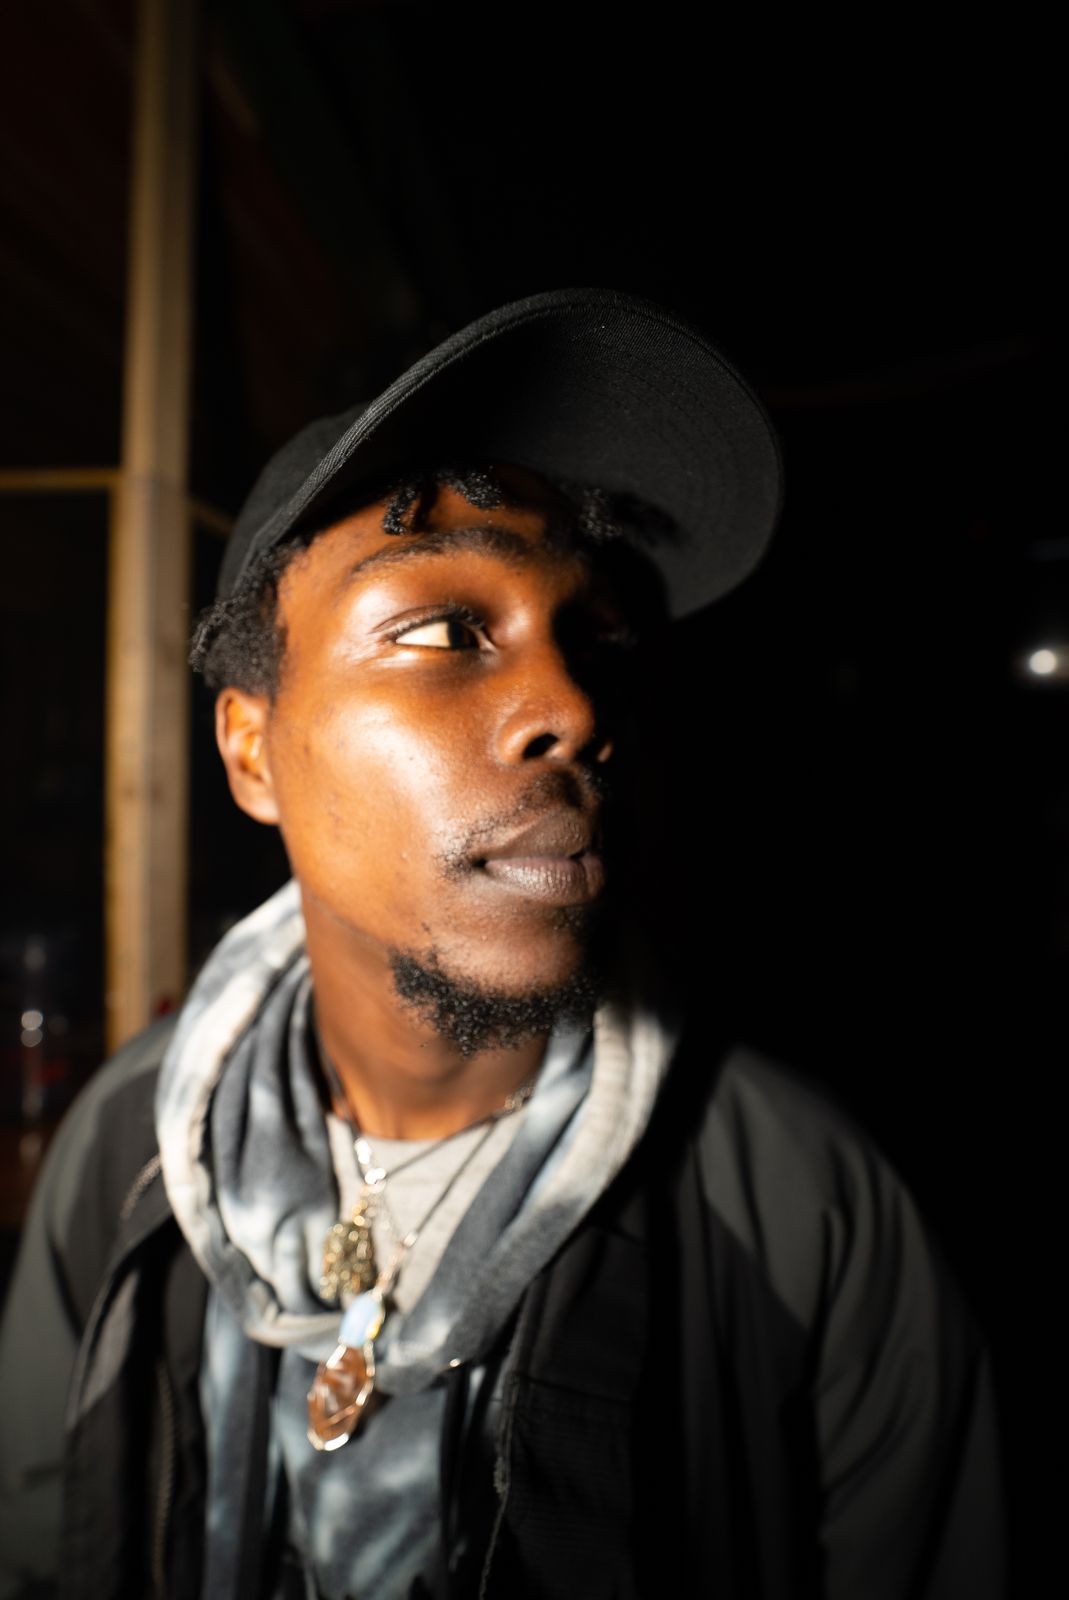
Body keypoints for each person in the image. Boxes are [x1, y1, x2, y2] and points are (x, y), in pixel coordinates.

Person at [0, 289, 1004, 1599]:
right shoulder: (128, 1155)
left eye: (593, 638)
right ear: (251, 750)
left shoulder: (805, 1212)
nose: (572, 706)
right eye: (440, 631)